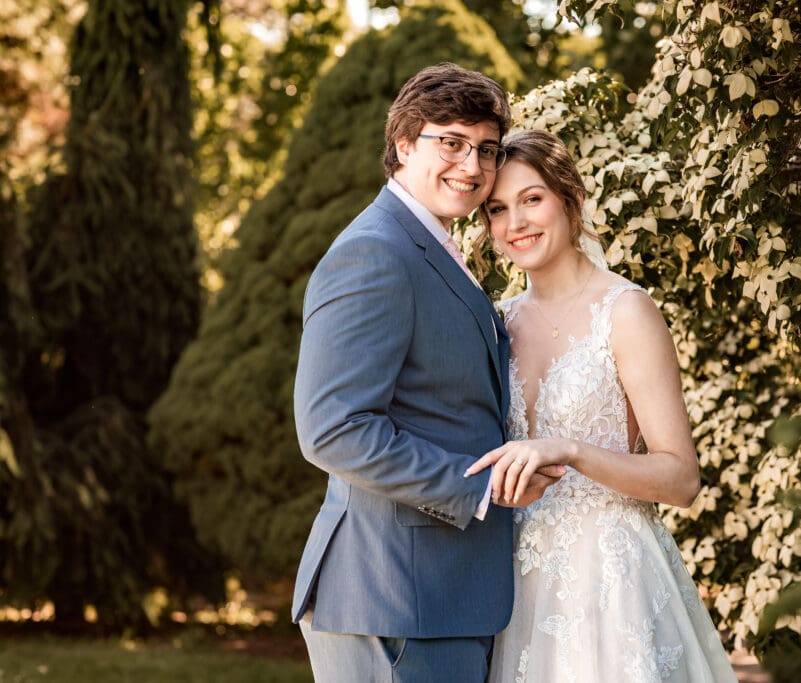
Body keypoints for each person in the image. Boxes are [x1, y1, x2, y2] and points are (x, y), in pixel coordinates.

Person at [291, 65, 562, 682]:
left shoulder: (429, 243)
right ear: (405, 143)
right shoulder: (374, 252)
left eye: (486, 150)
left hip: (438, 593)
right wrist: (482, 487)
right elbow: (333, 429)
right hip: (397, 595)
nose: (472, 166)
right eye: (452, 143)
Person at [466, 130, 738, 682]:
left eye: (532, 199)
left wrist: (571, 449)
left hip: (613, 587)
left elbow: (681, 479)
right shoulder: (496, 321)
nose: (515, 223)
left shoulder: (627, 312)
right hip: (517, 590)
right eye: (498, 209)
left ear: (569, 199)